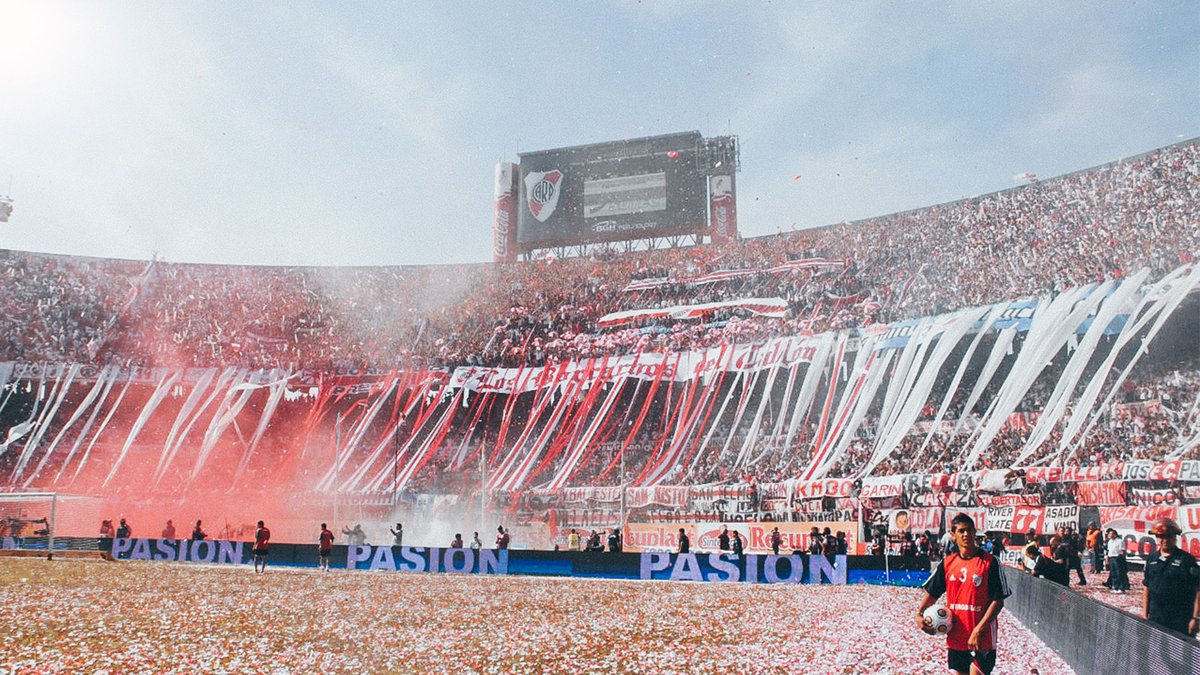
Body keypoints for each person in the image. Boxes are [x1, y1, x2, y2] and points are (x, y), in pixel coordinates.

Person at [918, 513, 1010, 675]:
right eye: (961, 531)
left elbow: (998, 601)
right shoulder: (947, 563)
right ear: (953, 535)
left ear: (975, 532)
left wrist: (978, 630)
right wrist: (919, 614)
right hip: (956, 638)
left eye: (969, 530)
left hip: (982, 639)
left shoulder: (990, 562)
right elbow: (933, 592)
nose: (966, 534)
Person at [1143, 518, 1200, 636]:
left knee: (1180, 653)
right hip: (1156, 616)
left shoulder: (1187, 560)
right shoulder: (1152, 559)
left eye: (1168, 536)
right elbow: (1147, 587)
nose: (1164, 540)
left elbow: (1198, 590)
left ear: (1175, 537)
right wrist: (1145, 614)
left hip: (1180, 618)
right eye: (1160, 536)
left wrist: (1195, 618)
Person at [1104, 528, 1128, 593]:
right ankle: (1115, 587)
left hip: (1118, 558)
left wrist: (1122, 559)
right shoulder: (1109, 541)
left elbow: (1123, 551)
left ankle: (1121, 588)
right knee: (1113, 574)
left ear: (1114, 535)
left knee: (1119, 573)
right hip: (1111, 558)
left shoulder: (1120, 541)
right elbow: (1108, 551)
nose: (1109, 535)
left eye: (1110, 534)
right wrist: (1107, 559)